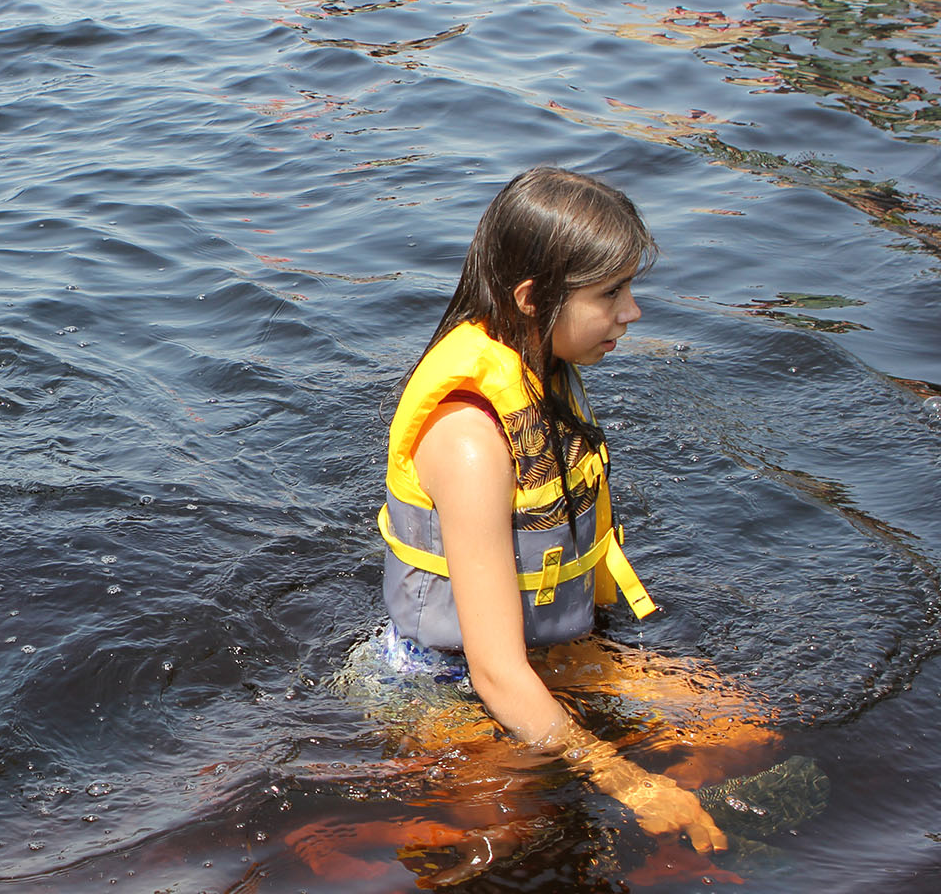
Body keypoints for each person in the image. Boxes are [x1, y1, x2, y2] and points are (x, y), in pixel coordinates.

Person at [313, 167, 822, 885]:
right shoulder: (470, 440)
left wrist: (640, 782)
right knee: (513, 825)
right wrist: (629, 782)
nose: (632, 313)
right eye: (610, 293)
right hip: (443, 682)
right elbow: (494, 672)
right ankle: (331, 839)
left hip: (554, 652)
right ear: (532, 299)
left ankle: (663, 848)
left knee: (747, 732)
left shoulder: (542, 371)